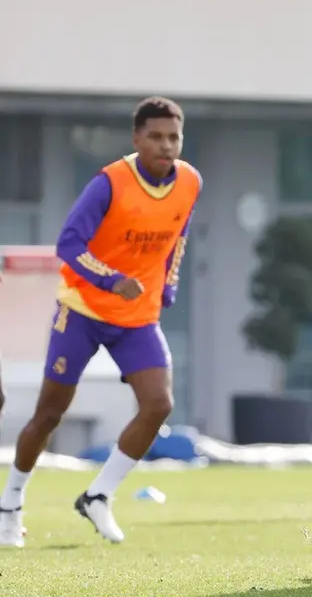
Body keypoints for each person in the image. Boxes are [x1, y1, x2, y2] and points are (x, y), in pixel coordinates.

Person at [0, 97, 200, 548]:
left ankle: (98, 495)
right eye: (155, 136)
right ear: (136, 138)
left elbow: (179, 235)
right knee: (49, 413)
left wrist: (168, 284)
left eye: (173, 137)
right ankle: (9, 505)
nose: (166, 146)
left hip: (137, 319)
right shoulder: (109, 182)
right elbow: (69, 244)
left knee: (159, 405)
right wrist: (111, 280)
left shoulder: (189, 182)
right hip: (83, 312)